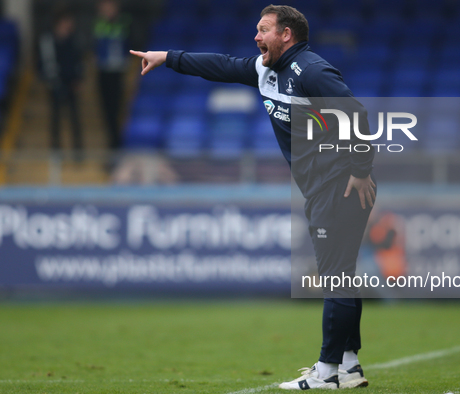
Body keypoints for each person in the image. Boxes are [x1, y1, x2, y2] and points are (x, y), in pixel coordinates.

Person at [130, 5, 376, 390]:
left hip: (338, 185)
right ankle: (349, 365)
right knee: (342, 274)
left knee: (336, 278)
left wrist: (360, 172)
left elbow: (358, 116)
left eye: (264, 29)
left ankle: (327, 372)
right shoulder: (266, 70)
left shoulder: (310, 70)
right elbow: (221, 66)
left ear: (287, 35)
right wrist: (167, 58)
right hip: (321, 188)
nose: (256, 36)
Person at [38, 10, 84, 153]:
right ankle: (56, 150)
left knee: (74, 118)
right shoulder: (47, 41)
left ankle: (77, 149)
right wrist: (51, 81)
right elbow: (43, 64)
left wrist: (78, 79)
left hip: (71, 84)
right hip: (55, 84)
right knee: (55, 118)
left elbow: (79, 62)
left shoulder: (74, 40)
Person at [94, 0, 131, 150]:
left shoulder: (124, 22)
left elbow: (130, 43)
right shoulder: (99, 24)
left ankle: (117, 145)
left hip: (118, 71)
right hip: (103, 71)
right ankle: (113, 144)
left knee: (116, 110)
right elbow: (96, 45)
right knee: (107, 111)